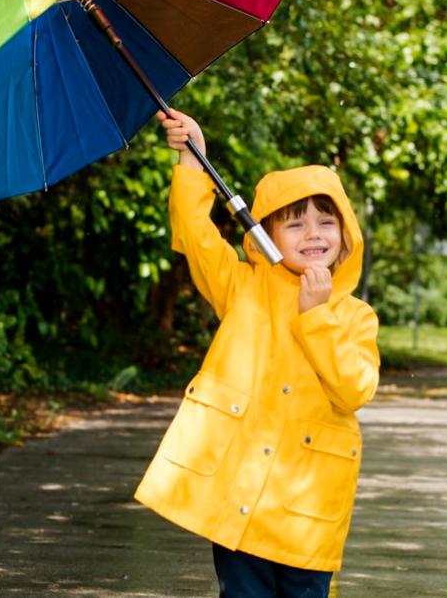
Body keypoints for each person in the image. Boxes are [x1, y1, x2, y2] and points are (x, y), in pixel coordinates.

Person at [135, 109, 380, 598]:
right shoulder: (241, 288)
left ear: (345, 233)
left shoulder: (354, 316)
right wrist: (191, 157)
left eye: (325, 222)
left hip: (305, 513)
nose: (313, 234)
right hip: (239, 501)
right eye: (295, 224)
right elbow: (195, 236)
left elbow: (355, 389)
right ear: (266, 234)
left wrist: (317, 316)